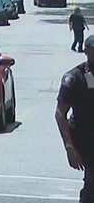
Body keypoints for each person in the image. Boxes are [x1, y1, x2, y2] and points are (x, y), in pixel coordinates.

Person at [56, 34, 94, 203]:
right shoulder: (74, 78)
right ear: (86, 52)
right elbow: (60, 114)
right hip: (86, 138)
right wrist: (69, 147)